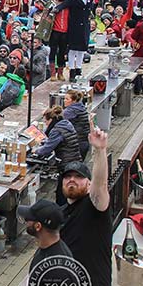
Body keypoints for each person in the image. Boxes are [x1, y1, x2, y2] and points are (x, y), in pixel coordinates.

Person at [59, 120, 111, 286]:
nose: (72, 180)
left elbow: (100, 184)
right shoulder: (60, 213)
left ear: (89, 184)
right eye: (68, 176)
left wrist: (100, 150)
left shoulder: (94, 206)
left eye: (79, 177)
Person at [18, 199, 76, 282]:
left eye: (28, 219)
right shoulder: (46, 247)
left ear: (38, 226)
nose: (26, 222)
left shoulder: (56, 271)